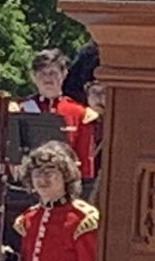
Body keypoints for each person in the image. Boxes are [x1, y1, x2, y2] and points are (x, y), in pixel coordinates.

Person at [18, 49, 97, 179]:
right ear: (33, 77)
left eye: (53, 73)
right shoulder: (20, 109)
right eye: (42, 73)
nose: (47, 78)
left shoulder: (80, 113)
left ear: (64, 74)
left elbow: (84, 161)